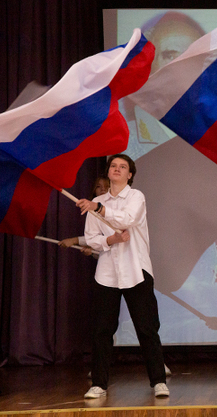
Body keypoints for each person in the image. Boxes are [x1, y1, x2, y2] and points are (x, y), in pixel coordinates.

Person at [77, 154, 169, 398]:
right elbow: (93, 239)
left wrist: (99, 208)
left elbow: (128, 219)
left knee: (147, 328)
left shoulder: (135, 197)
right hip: (106, 274)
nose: (117, 169)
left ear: (130, 175)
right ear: (108, 172)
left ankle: (159, 381)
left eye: (123, 167)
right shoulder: (97, 200)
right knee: (102, 331)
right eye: (113, 166)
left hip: (136, 270)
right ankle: (98, 384)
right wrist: (111, 239)